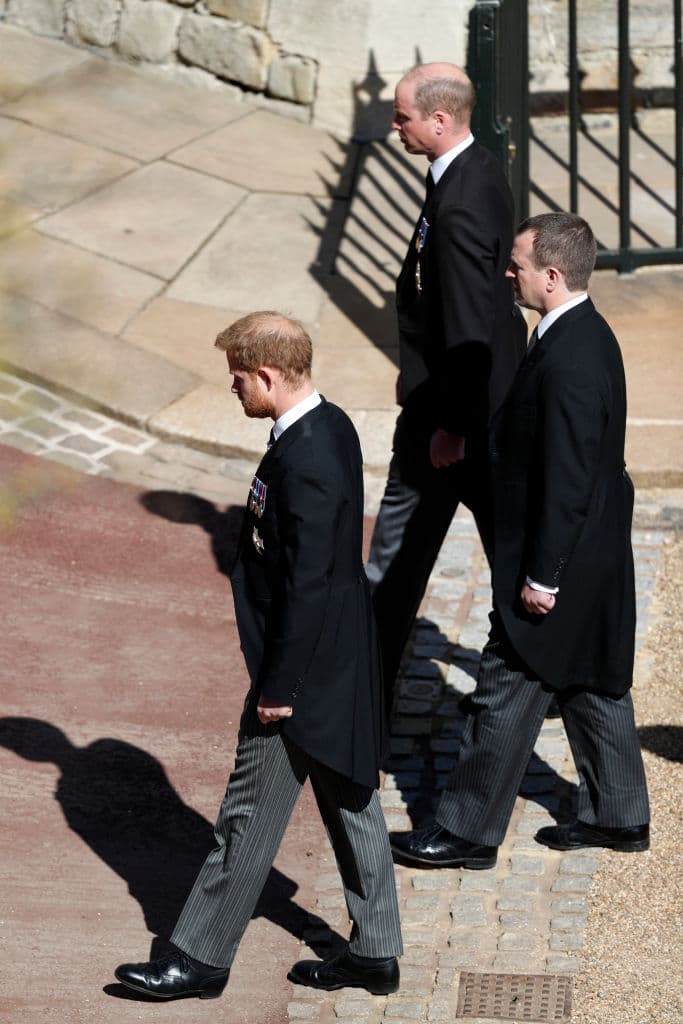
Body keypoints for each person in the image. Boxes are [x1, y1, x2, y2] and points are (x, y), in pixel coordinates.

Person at [115, 312, 403, 1000]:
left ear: (267, 375)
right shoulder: (325, 426)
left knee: (244, 817)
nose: (233, 389)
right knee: (350, 799)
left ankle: (198, 957)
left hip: (298, 673)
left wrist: (278, 686)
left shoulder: (304, 457)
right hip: (336, 664)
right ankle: (375, 950)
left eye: (238, 378)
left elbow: (304, 583)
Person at [390, 213, 650, 869]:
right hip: (589, 551)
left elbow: (564, 479)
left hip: (559, 557)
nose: (508, 273)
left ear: (552, 276)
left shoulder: (570, 362)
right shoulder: (577, 335)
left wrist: (542, 578)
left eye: (518, 265)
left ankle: (465, 832)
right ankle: (619, 816)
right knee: (590, 682)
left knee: (504, 686)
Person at [365, 62, 526, 711]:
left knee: (394, 559)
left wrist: (450, 429)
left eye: (401, 116)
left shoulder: (456, 206)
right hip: (467, 410)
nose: (392, 126)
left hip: (453, 417)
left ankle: (360, 700)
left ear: (437, 120)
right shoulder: (476, 168)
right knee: (497, 557)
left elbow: (465, 333)